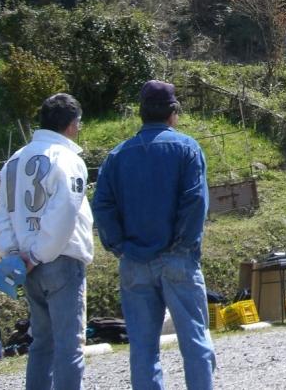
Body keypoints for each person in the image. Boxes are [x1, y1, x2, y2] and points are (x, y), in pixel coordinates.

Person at [92, 80, 215, 390]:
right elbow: (195, 201)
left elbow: (102, 204)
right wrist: (182, 243)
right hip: (178, 260)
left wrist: (118, 244)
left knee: (144, 351)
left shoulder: (117, 156)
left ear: (141, 113)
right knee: (195, 342)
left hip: (134, 260)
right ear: (173, 113)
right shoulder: (187, 148)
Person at [0, 93, 92, 390]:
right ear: (73, 124)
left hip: (24, 262)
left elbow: (0, 217)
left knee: (41, 343)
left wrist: (15, 256)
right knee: (69, 346)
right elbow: (65, 212)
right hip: (60, 257)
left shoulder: (13, 161)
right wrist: (38, 254)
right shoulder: (68, 159)